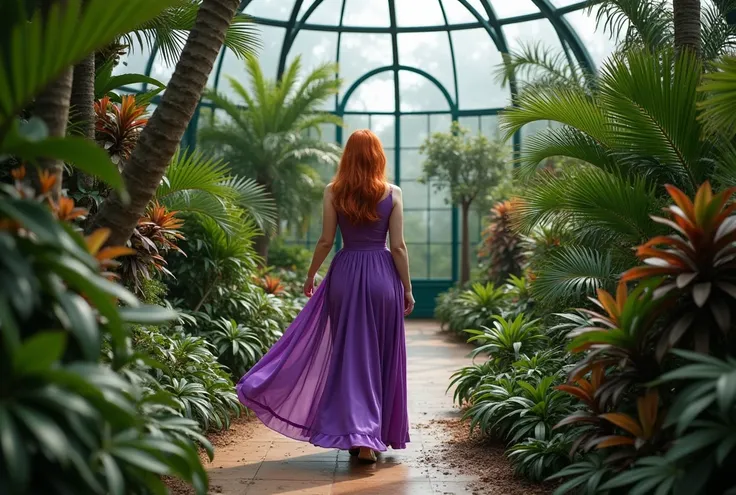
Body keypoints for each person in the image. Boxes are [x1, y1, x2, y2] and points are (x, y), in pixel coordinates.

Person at [236, 129, 414, 464]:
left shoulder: (333, 191)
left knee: (349, 354)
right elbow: (399, 247)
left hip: (345, 275)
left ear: (347, 157)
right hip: (381, 277)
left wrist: (310, 273)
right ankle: (371, 437)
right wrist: (406, 287)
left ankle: (357, 433)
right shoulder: (393, 193)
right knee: (380, 355)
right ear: (378, 157)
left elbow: (325, 240)